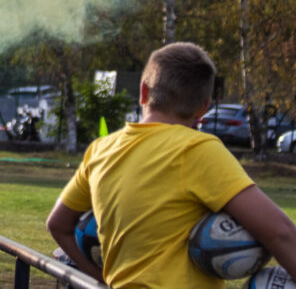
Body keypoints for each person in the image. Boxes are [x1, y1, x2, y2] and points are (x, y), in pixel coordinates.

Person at [46, 42, 296, 287]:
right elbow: (280, 233)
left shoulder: (100, 150)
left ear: (144, 91)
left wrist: (96, 275)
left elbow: (57, 225)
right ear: (204, 107)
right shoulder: (197, 149)